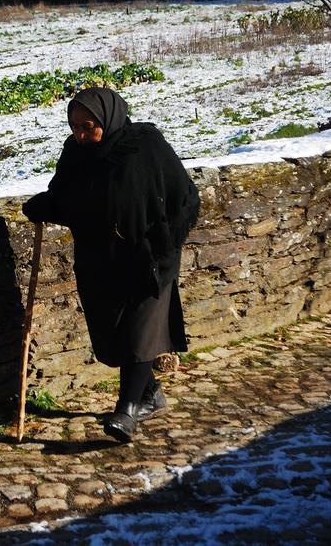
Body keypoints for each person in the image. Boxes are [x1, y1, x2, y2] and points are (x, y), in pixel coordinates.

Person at [22, 88, 200, 442]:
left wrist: (165, 244)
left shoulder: (145, 146)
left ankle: (126, 412)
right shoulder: (75, 154)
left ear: (108, 118)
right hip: (99, 261)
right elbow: (68, 200)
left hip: (147, 257)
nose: (81, 134)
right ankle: (149, 394)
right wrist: (45, 206)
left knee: (140, 332)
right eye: (74, 127)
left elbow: (185, 197)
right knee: (111, 339)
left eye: (88, 127)